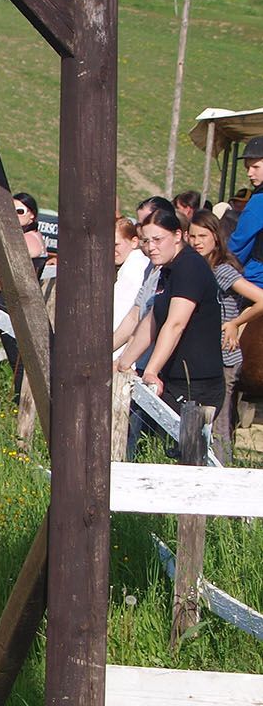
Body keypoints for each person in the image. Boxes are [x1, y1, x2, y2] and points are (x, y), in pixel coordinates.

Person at [116, 206, 224, 413]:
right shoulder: (167, 268)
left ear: (177, 235)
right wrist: (123, 361)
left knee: (181, 445)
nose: (151, 247)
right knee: (145, 442)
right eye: (146, 241)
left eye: (158, 239)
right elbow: (152, 319)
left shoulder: (190, 267)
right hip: (172, 378)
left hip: (196, 383)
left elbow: (175, 324)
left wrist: (151, 371)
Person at [188, 210, 263, 462]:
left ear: (216, 239)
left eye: (202, 236)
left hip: (223, 354)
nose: (197, 241)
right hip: (206, 355)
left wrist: (235, 322)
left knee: (219, 424)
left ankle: (222, 471)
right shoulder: (201, 268)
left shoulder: (221, 271)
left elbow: (261, 299)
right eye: (192, 236)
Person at [0, 192, 46, 400]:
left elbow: (14, 276)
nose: (15, 215)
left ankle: (22, 402)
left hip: (13, 305)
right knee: (19, 358)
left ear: (32, 216)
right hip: (14, 304)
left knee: (19, 359)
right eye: (11, 211)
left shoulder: (27, 240)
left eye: (20, 211)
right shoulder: (32, 238)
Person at [227, 136, 263, 287]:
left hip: (257, 278)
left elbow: (240, 242)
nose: (249, 173)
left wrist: (221, 262)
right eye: (247, 168)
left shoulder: (259, 200)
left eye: (255, 167)